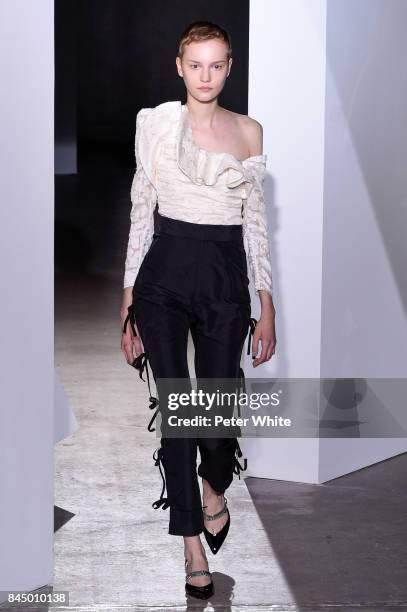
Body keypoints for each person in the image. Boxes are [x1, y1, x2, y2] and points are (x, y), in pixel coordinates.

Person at [120, 20, 276, 600]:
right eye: (195, 65)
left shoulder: (249, 131)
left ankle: (216, 487)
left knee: (212, 413)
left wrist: (266, 301)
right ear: (180, 67)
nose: (205, 75)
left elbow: (255, 226)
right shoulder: (157, 125)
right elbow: (142, 212)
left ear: (228, 67)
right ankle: (190, 542)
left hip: (223, 276)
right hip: (163, 276)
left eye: (216, 65)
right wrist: (128, 300)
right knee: (178, 411)